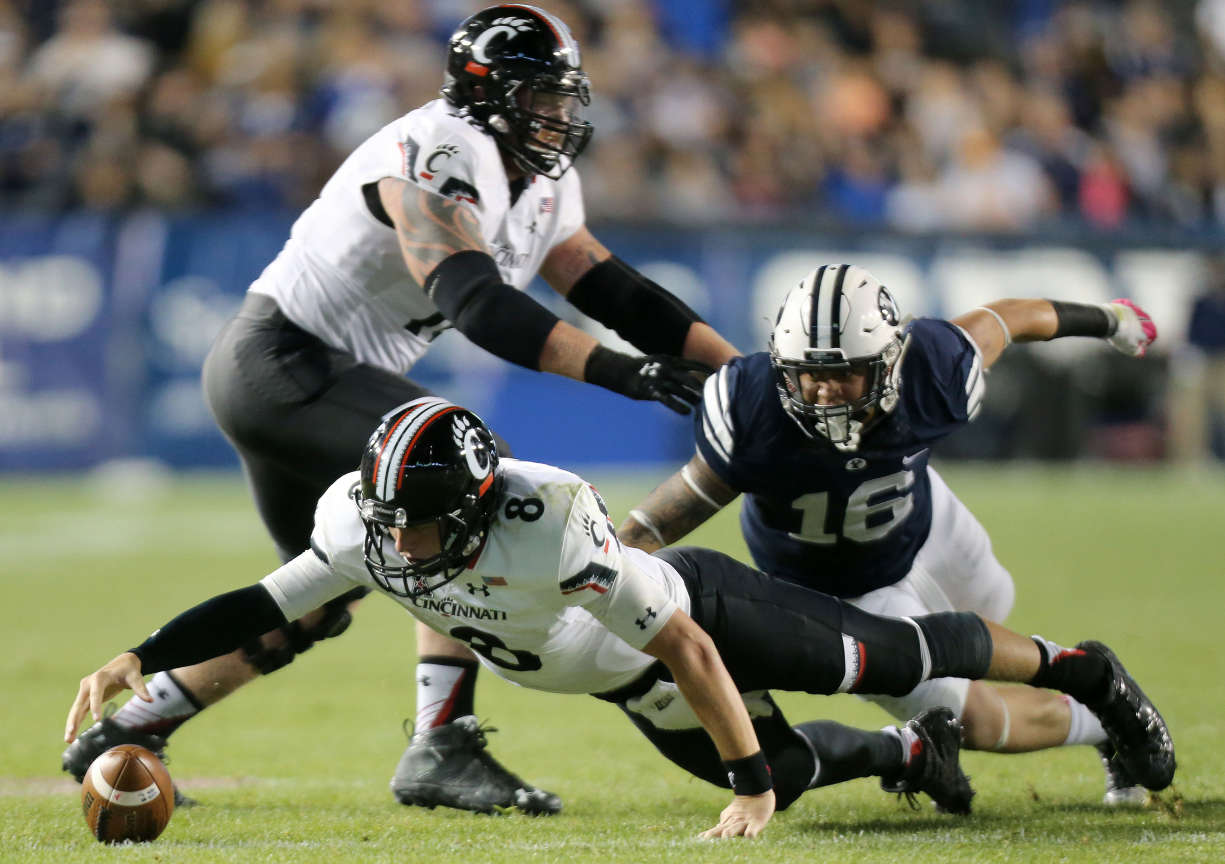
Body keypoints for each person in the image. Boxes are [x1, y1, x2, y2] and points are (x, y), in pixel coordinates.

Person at [60, 5, 740, 813]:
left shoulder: (540, 181)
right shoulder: (436, 152)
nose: (558, 117)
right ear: (485, 95)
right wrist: (628, 376)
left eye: (563, 98)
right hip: (284, 362)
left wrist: (740, 370)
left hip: (305, 376)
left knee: (317, 599)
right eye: (538, 97)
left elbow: (611, 287)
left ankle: (129, 727)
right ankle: (441, 745)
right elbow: (478, 304)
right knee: (458, 476)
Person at [65, 398, 1175, 838]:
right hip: (613, 674)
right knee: (783, 769)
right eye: (386, 517)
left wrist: (741, 788)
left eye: (415, 522)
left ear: (471, 510)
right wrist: (139, 655)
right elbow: (262, 603)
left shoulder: (550, 521)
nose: (390, 540)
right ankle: (905, 752)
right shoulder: (366, 520)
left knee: (895, 653)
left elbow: (684, 645)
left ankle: (1081, 669)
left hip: (696, 619)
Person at [618, 263, 1161, 806]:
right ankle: (1105, 721)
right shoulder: (752, 409)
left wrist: (1107, 319)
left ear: (888, 362)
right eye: (809, 373)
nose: (826, 391)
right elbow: (661, 519)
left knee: (995, 604)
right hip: (838, 594)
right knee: (970, 719)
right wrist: (604, 573)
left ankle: (1096, 680)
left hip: (929, 529)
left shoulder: (932, 368)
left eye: (847, 372)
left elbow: (1010, 318)